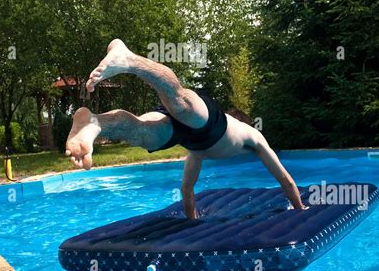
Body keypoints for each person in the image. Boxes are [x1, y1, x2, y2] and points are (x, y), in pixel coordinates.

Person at [65, 39, 306, 217]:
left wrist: (192, 220)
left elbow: (187, 188)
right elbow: (285, 179)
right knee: (179, 103)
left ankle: (95, 124)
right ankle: (128, 59)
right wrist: (301, 208)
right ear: (244, 121)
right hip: (212, 124)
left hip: (189, 137)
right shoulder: (252, 133)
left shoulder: (196, 153)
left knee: (142, 133)